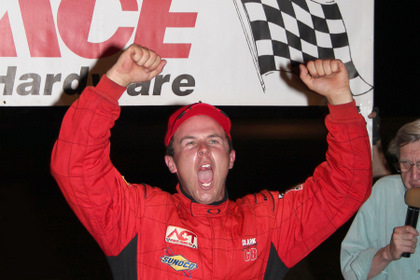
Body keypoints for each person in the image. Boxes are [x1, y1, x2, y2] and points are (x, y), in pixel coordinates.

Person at [51, 44, 372, 279]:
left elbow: (346, 187)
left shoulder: (267, 222)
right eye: (189, 143)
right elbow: (75, 166)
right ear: (171, 163)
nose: (203, 149)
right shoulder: (137, 216)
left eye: (214, 141)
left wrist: (341, 102)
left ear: (230, 158)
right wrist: (114, 81)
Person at [341, 119, 420, 279]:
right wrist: (387, 253)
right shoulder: (383, 193)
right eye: (405, 164)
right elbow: (351, 271)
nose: (413, 176)